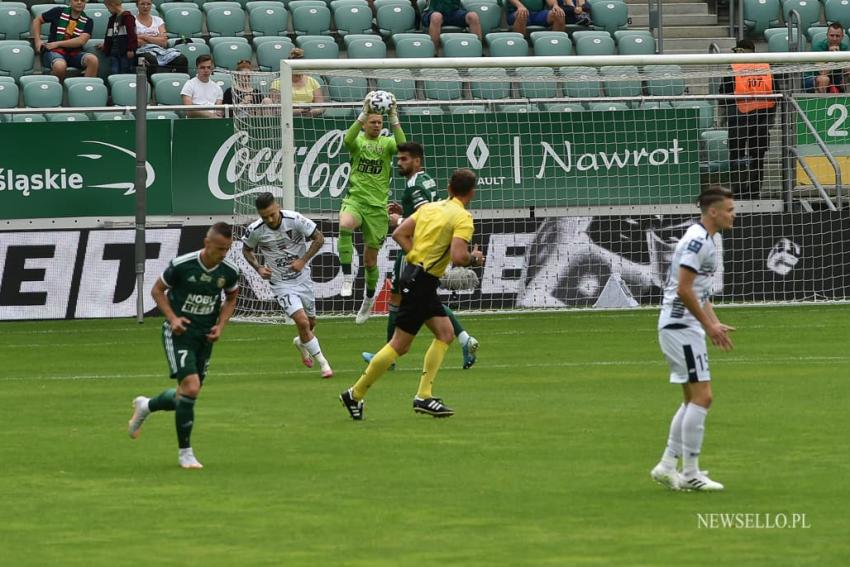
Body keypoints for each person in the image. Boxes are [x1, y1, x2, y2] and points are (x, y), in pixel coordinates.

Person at [340, 168, 485, 421]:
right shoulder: (463, 217)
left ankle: (423, 395)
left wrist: (416, 258)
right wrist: (475, 259)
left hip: (416, 277)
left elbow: (399, 233)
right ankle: (357, 394)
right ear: (471, 193)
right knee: (400, 345)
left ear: (449, 188)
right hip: (422, 282)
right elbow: (460, 256)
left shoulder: (429, 208)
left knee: (445, 333)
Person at [127, 222, 240, 469]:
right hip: (179, 333)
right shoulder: (182, 265)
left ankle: (145, 405)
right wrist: (173, 318)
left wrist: (220, 325)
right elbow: (157, 291)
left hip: (204, 336)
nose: (223, 254)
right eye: (219, 248)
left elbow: (231, 297)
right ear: (206, 242)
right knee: (191, 387)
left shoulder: (229, 271)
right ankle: (185, 453)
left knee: (187, 394)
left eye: (227, 249)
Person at [361, 142, 481, 370]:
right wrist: (404, 213)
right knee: (426, 302)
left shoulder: (415, 185)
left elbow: (424, 218)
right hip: (427, 249)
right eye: (398, 159)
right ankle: (465, 338)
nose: (399, 163)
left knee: (399, 298)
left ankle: (389, 356)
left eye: (405, 159)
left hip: (418, 250)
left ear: (417, 161)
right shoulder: (426, 180)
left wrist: (397, 221)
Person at [650, 186, 736, 492]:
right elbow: (684, 289)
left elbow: (701, 292)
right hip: (680, 327)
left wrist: (713, 322)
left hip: (684, 326)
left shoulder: (709, 239)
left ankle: (666, 466)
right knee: (703, 397)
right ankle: (690, 473)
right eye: (729, 210)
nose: (733, 215)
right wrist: (707, 327)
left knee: (691, 399)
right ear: (713, 212)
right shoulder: (697, 241)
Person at [241, 193, 334, 379]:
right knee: (302, 322)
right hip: (281, 283)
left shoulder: (295, 219)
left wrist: (303, 260)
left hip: (303, 279)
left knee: (311, 323)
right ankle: (324, 364)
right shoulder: (256, 230)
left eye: (272, 214)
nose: (269, 219)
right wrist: (258, 267)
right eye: (264, 216)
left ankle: (301, 342)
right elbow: (246, 249)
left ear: (278, 206)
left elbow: (319, 238)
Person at [338, 91, 406, 325]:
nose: (377, 125)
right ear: (366, 124)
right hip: (356, 200)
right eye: (373, 122)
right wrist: (363, 113)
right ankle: (347, 277)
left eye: (379, 122)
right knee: (345, 224)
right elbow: (347, 140)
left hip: (378, 209)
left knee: (370, 261)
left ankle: (367, 300)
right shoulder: (358, 142)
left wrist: (394, 117)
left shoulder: (387, 144)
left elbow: (403, 146)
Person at [721, 39, 775, 200]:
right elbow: (775, 94)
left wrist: (725, 115)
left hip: (739, 119)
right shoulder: (766, 68)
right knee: (757, 157)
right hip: (761, 120)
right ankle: (753, 191)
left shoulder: (733, 68)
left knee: (738, 156)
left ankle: (739, 191)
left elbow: (723, 93)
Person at [32, 0, 99, 81]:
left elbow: (81, 41)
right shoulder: (58, 12)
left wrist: (57, 43)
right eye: (75, 0)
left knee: (93, 60)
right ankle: (58, 89)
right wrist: (37, 41)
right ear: (70, 2)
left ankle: (85, 89)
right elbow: (37, 20)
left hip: (74, 53)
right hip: (54, 51)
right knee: (60, 66)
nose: (79, 2)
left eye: (82, 0)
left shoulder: (88, 21)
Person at [135, 0, 188, 77]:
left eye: (148, 4)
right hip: (141, 51)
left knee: (181, 59)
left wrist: (143, 36)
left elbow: (164, 42)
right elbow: (137, 42)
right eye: (142, 4)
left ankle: (179, 83)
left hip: (160, 50)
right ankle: (151, 84)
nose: (145, 7)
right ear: (137, 5)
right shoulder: (133, 20)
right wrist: (156, 39)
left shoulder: (158, 20)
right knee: (151, 59)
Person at [267, 48, 325, 116]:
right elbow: (275, 109)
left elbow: (320, 106)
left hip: (309, 117)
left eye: (301, 66)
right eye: (296, 66)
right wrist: (297, 112)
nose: (299, 68)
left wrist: (312, 112)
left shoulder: (313, 82)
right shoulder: (277, 83)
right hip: (285, 118)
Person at [806, 23, 849, 93]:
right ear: (827, 35)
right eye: (832, 35)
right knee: (824, 79)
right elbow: (823, 72)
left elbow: (847, 69)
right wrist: (834, 57)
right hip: (813, 78)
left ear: (842, 37)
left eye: (837, 36)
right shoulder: (818, 47)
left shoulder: (844, 47)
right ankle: (822, 103)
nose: (834, 39)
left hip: (835, 77)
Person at [98, 0, 137, 75]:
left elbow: (132, 35)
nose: (108, 10)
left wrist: (131, 49)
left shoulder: (128, 17)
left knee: (124, 71)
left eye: (108, 7)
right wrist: (106, 45)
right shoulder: (112, 19)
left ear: (112, 5)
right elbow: (109, 35)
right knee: (114, 71)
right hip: (114, 51)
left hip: (125, 52)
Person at [180, 54, 223, 118]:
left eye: (208, 67)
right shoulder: (189, 85)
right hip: (194, 121)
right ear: (197, 69)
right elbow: (189, 111)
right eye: (202, 67)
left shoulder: (218, 88)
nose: (206, 70)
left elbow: (218, 112)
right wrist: (209, 115)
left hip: (213, 122)